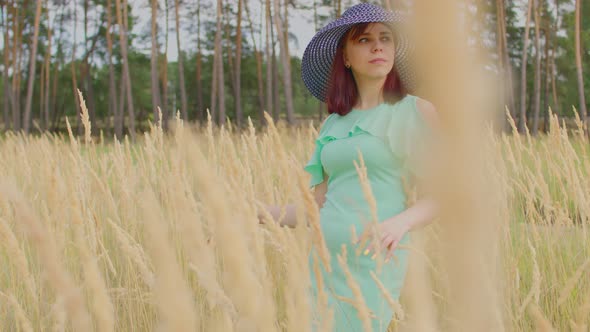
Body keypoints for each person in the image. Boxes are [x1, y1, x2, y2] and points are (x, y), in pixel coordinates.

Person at [259, 3, 438, 331]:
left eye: (385, 38)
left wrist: (400, 223)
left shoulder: (414, 113)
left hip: (374, 264)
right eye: (364, 40)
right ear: (345, 56)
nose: (378, 46)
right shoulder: (332, 125)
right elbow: (318, 207)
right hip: (325, 264)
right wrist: (260, 212)